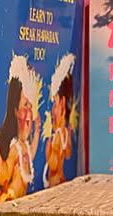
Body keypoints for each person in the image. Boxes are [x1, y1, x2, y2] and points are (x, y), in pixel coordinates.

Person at [0, 55, 41, 203]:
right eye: (25, 105)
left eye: (30, 105)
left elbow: (31, 154)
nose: (29, 112)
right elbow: (5, 173)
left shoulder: (25, 147)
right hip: (9, 202)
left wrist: (36, 133)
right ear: (15, 110)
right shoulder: (15, 148)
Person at [44, 54, 75, 187]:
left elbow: (57, 162)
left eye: (54, 103)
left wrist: (49, 156)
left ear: (62, 104)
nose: (52, 109)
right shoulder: (63, 133)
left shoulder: (59, 135)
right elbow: (67, 154)